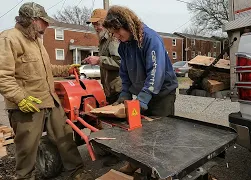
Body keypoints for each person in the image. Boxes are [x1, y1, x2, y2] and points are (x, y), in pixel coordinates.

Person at [0, 2, 93, 180]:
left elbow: (46, 68)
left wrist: (66, 69)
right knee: (27, 148)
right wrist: (20, 98)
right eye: (44, 22)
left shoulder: (37, 41)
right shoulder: (8, 39)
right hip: (27, 105)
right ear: (33, 20)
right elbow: (3, 75)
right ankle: (26, 177)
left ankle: (76, 171)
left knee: (65, 137)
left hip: (50, 100)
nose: (47, 26)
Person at [103, 5, 179, 174]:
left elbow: (156, 71)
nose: (116, 36)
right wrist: (125, 93)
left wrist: (143, 98)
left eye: (117, 31)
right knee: (139, 133)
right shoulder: (124, 45)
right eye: (113, 33)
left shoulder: (150, 38)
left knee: (161, 137)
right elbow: (124, 71)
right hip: (142, 94)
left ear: (126, 24)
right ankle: (135, 163)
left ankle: (165, 171)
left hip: (162, 94)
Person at [84, 8, 122, 104]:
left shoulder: (113, 39)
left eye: (98, 24)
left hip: (118, 91)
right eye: (94, 25)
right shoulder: (103, 40)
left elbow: (120, 62)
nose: (96, 27)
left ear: (106, 23)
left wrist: (98, 60)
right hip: (110, 90)